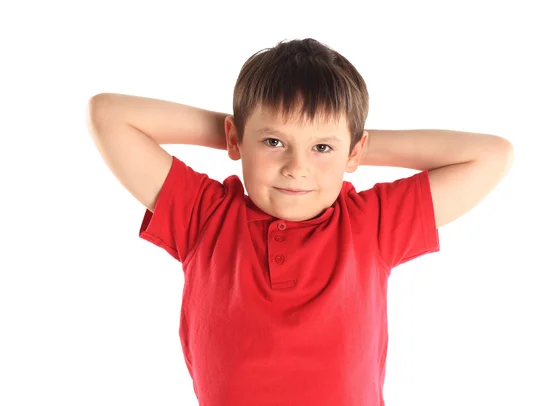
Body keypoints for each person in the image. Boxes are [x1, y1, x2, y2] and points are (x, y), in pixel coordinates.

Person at [86, 38, 513, 406]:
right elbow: (108, 115)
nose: (296, 167)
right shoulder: (204, 216)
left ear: (354, 153)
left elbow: (491, 156)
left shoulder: (371, 224)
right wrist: (249, 130)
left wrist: (349, 144)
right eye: (274, 142)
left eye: (321, 148)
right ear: (235, 139)